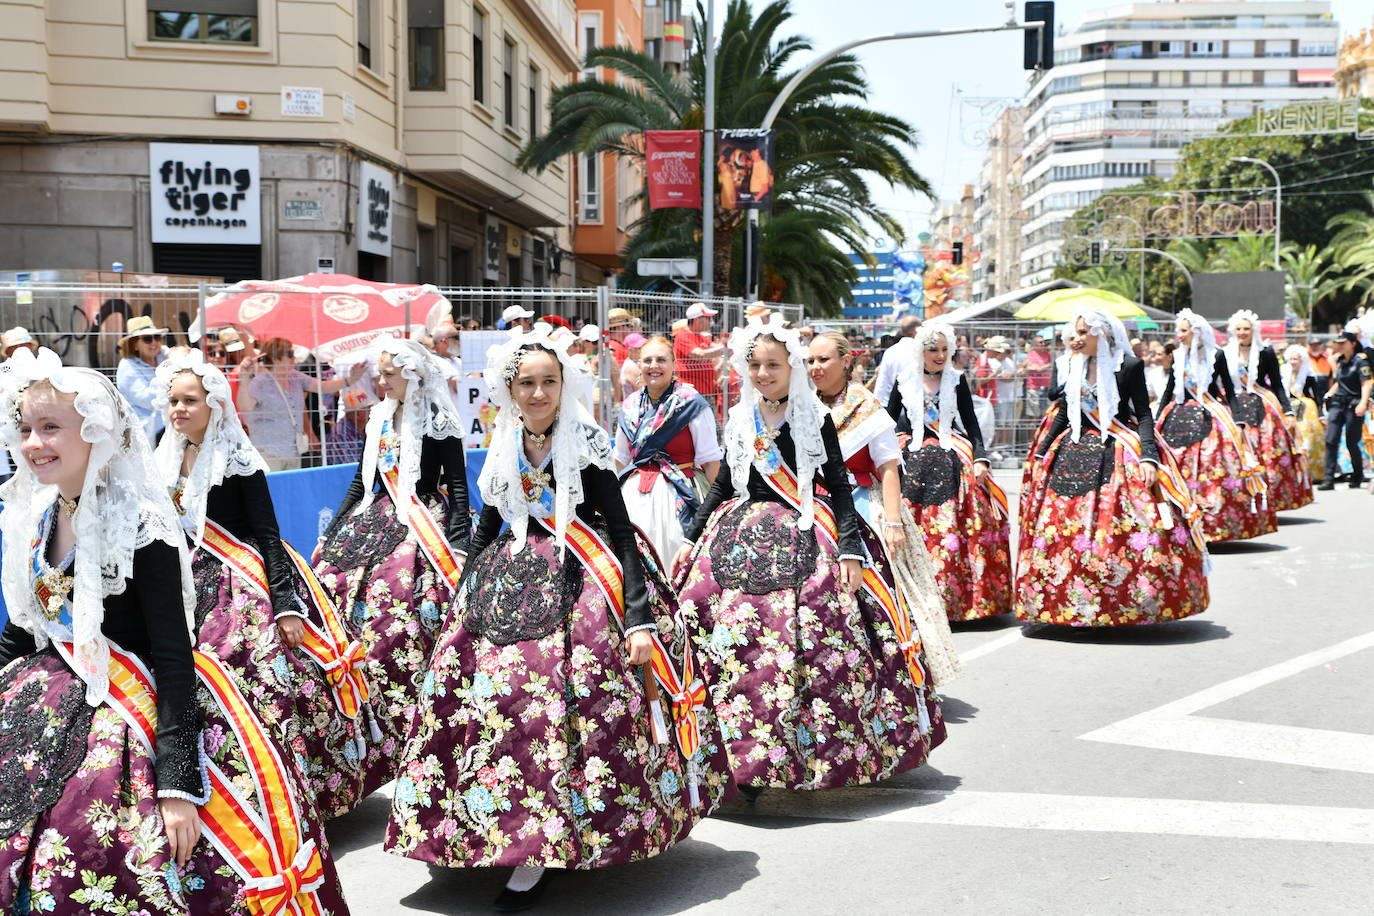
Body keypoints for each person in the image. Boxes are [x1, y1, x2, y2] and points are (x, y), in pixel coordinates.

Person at [385, 325, 733, 910]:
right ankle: (496, 830)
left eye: (550, 382)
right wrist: (464, 590)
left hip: (583, 582)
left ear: (564, 385)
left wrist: (641, 617)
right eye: (527, 384)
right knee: (492, 701)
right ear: (510, 390)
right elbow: (492, 523)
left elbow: (622, 534)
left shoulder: (587, 443)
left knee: (567, 704)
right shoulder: (504, 442)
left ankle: (555, 838)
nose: (539, 393)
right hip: (511, 577)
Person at [0, 349, 349, 915]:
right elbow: (23, 632)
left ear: (96, 433)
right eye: (25, 429)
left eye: (50, 428)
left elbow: (172, 654)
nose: (33, 442)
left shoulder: (142, 525)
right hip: (45, 700)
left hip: (130, 718)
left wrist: (178, 785)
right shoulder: (36, 515)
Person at [671, 314, 944, 794]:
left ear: (791, 368)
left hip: (803, 526)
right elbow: (723, 487)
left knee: (810, 641)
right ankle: (731, 754)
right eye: (754, 365)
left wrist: (851, 549)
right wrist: (692, 539)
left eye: (772, 365)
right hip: (737, 531)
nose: (762, 374)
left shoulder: (812, 417)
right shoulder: (740, 418)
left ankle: (804, 751)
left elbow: (838, 485)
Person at [152, 349, 370, 817]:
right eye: (173, 400)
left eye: (190, 400)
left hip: (241, 582)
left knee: (260, 675)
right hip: (188, 578)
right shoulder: (164, 456)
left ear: (214, 404)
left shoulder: (238, 459)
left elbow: (268, 534)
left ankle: (290, 793)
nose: (179, 410)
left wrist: (286, 604)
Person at [313, 337, 470, 811]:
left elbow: (458, 488)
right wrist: (334, 530)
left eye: (388, 374)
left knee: (402, 617)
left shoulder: (440, 421)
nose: (380, 381)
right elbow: (361, 482)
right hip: (373, 517)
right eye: (379, 373)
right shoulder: (378, 417)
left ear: (414, 375)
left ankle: (411, 724)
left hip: (420, 522)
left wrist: (460, 547)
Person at [1015, 309, 1210, 627]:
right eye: (1075, 333)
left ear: (1101, 334)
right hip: (1074, 448)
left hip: (1117, 446)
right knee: (1063, 528)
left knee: (1123, 524)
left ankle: (1125, 601)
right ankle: (1065, 602)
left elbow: (1144, 414)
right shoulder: (1073, 364)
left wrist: (1149, 457)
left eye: (1083, 332)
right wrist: (1042, 451)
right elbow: (1066, 410)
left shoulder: (1129, 365)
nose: (1076, 338)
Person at [808, 332, 961, 686]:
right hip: (818, 507)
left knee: (884, 590)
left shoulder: (866, 407)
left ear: (846, 362)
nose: (816, 368)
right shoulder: (805, 406)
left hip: (865, 506)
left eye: (824, 360)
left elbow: (888, 469)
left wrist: (892, 523)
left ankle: (898, 674)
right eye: (811, 361)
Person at [887, 323, 1013, 621]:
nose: (940, 355)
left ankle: (962, 598)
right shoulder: (904, 378)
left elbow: (971, 422)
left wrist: (981, 458)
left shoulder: (956, 380)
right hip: (911, 450)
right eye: (933, 349)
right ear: (921, 350)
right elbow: (889, 420)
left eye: (945, 349)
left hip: (952, 449)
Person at [1156, 309, 1274, 542]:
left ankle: (1214, 523)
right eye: (1177, 330)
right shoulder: (1178, 356)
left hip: (1210, 413)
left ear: (1196, 332)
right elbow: (1169, 390)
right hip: (1178, 413)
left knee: (1216, 465)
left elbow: (1228, 390)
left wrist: (1237, 419)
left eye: (1183, 330)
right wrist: (1157, 418)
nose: (1178, 335)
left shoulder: (1215, 355)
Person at [613, 336, 721, 564]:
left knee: (676, 555)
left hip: (680, 491)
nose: (654, 366)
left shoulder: (691, 402)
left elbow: (710, 460)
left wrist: (719, 509)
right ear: (639, 365)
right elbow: (621, 459)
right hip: (634, 495)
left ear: (673, 364)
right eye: (648, 360)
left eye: (661, 360)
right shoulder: (631, 405)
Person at [1223, 310, 1311, 511]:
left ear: (1254, 330)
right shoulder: (1225, 353)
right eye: (1239, 329)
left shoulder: (1266, 352)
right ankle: (1240, 497)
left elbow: (1278, 385)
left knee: (1265, 449)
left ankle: (1268, 497)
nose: (1242, 332)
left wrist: (1288, 411)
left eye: (1246, 328)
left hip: (1261, 404)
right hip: (1233, 403)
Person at [239, 337, 361, 471]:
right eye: (290, 354)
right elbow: (245, 407)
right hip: (268, 453)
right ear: (276, 359)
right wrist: (244, 379)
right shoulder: (260, 382)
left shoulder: (295, 376)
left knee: (291, 489)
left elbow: (323, 387)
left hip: (293, 451)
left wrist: (351, 380)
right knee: (272, 490)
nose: (294, 357)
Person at [1319, 330, 1372, 490]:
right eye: (1339, 343)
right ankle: (1328, 478)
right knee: (1330, 439)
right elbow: (1339, 382)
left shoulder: (1361, 361)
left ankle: (1357, 474)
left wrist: (1363, 403)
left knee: (1351, 441)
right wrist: (1329, 394)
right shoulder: (1341, 361)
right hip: (1338, 404)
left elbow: (1367, 383)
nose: (1340, 346)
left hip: (1353, 404)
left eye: (1344, 343)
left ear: (1353, 344)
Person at [116, 315, 169, 444]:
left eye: (157, 337)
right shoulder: (127, 367)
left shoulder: (162, 355)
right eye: (147, 339)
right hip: (149, 430)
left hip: (170, 421)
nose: (154, 343)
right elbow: (148, 400)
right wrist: (169, 371)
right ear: (134, 344)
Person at [1282, 343, 1326, 485]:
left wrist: (1321, 414)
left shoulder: (1309, 375)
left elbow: (1317, 396)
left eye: (1296, 359)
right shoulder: (1283, 373)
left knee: (1308, 440)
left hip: (1306, 411)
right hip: (1289, 409)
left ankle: (1312, 472)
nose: (1294, 362)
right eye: (1291, 359)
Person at [675, 303, 726, 408]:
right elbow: (699, 355)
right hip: (692, 393)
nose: (711, 322)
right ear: (698, 320)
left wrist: (730, 345)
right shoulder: (683, 336)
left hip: (704, 392)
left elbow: (715, 347)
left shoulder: (700, 337)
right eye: (708, 318)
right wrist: (725, 349)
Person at [871, 315, 922, 407]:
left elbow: (882, 384)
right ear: (916, 329)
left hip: (892, 406)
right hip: (917, 406)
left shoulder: (890, 352)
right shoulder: (922, 350)